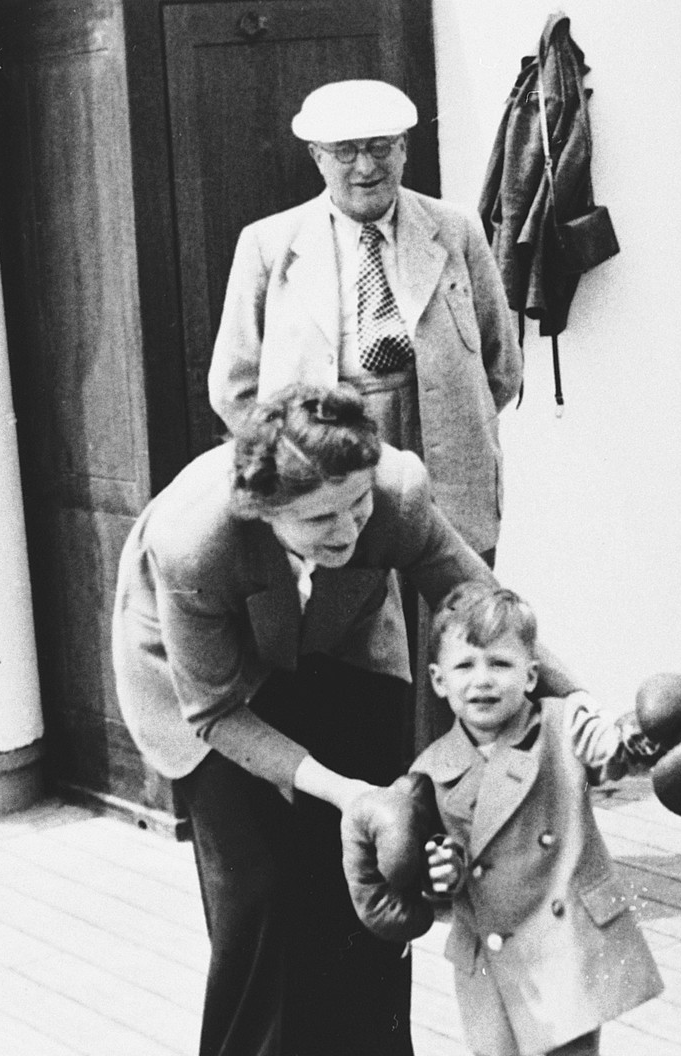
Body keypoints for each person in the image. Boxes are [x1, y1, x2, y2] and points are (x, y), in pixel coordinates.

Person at [111, 385, 582, 1056]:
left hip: (336, 644)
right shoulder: (197, 544)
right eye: (322, 519)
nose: (350, 529)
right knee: (261, 898)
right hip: (202, 691)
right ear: (265, 510)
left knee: (379, 891)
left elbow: (481, 608)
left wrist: (580, 709)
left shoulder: (391, 493)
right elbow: (219, 709)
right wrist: (344, 792)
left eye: (357, 508)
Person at [208, 77, 522, 748]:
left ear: (404, 149)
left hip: (443, 456)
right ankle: (375, 814)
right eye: (345, 150)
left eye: (381, 147)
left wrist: (445, 427)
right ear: (316, 157)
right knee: (354, 651)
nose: (365, 166)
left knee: (459, 634)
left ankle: (461, 810)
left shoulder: (455, 229)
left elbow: (500, 367)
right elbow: (234, 388)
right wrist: (297, 473)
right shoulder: (269, 244)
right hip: (330, 468)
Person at [414, 582, 666, 1056]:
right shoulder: (430, 769)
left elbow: (613, 759)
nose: (483, 680)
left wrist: (618, 736)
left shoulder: (560, 730)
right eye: (465, 665)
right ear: (439, 680)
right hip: (488, 954)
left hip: (564, 940)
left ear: (531, 676)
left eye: (500, 663)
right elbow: (431, 871)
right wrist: (437, 878)